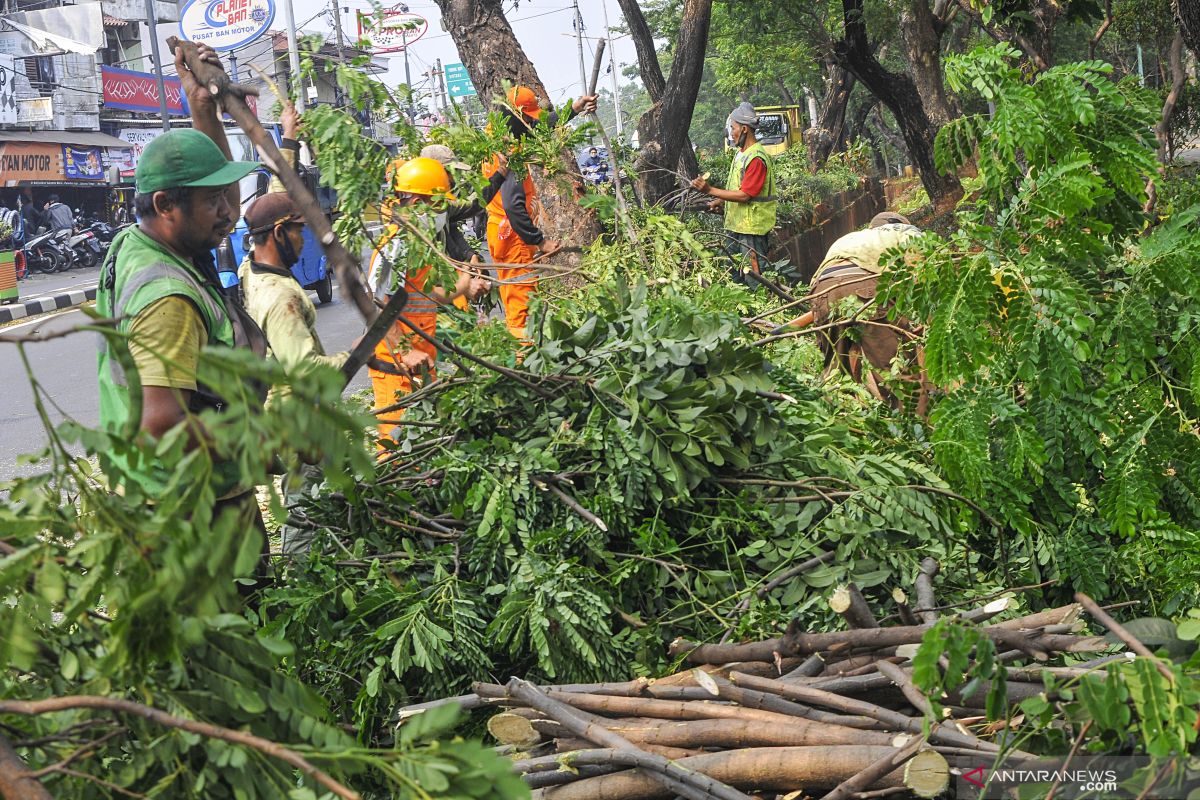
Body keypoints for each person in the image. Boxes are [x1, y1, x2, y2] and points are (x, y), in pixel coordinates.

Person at [95, 43, 265, 553]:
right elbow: (162, 426)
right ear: (166, 204)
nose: (227, 212)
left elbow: (226, 202)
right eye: (211, 200)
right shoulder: (168, 296)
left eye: (223, 196)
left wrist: (202, 112)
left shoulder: (146, 239)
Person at [368, 156, 490, 438]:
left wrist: (465, 285)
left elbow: (426, 295)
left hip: (422, 364)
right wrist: (405, 350)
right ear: (415, 201)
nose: (442, 211)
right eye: (438, 204)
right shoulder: (396, 243)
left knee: (425, 442)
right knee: (396, 449)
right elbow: (377, 303)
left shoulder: (415, 242)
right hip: (397, 367)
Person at [483, 85, 597, 340]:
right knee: (522, 303)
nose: (532, 124)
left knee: (519, 296)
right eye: (528, 117)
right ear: (516, 118)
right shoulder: (508, 153)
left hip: (504, 233)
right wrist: (539, 241)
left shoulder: (499, 135)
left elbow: (540, 127)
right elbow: (513, 206)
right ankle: (525, 361)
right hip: (513, 237)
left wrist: (575, 108)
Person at [803, 211, 927, 412]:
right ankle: (916, 430)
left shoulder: (851, 238)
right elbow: (921, 277)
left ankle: (839, 426)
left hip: (822, 292)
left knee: (834, 373)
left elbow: (837, 285)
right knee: (895, 372)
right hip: (866, 287)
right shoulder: (908, 232)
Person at [690, 102, 778, 278]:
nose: (731, 133)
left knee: (756, 282)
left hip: (751, 232)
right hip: (737, 228)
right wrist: (720, 201)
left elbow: (745, 195)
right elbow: (738, 188)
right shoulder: (741, 154)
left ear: (744, 129)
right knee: (734, 278)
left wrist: (709, 190)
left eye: (733, 128)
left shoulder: (756, 158)